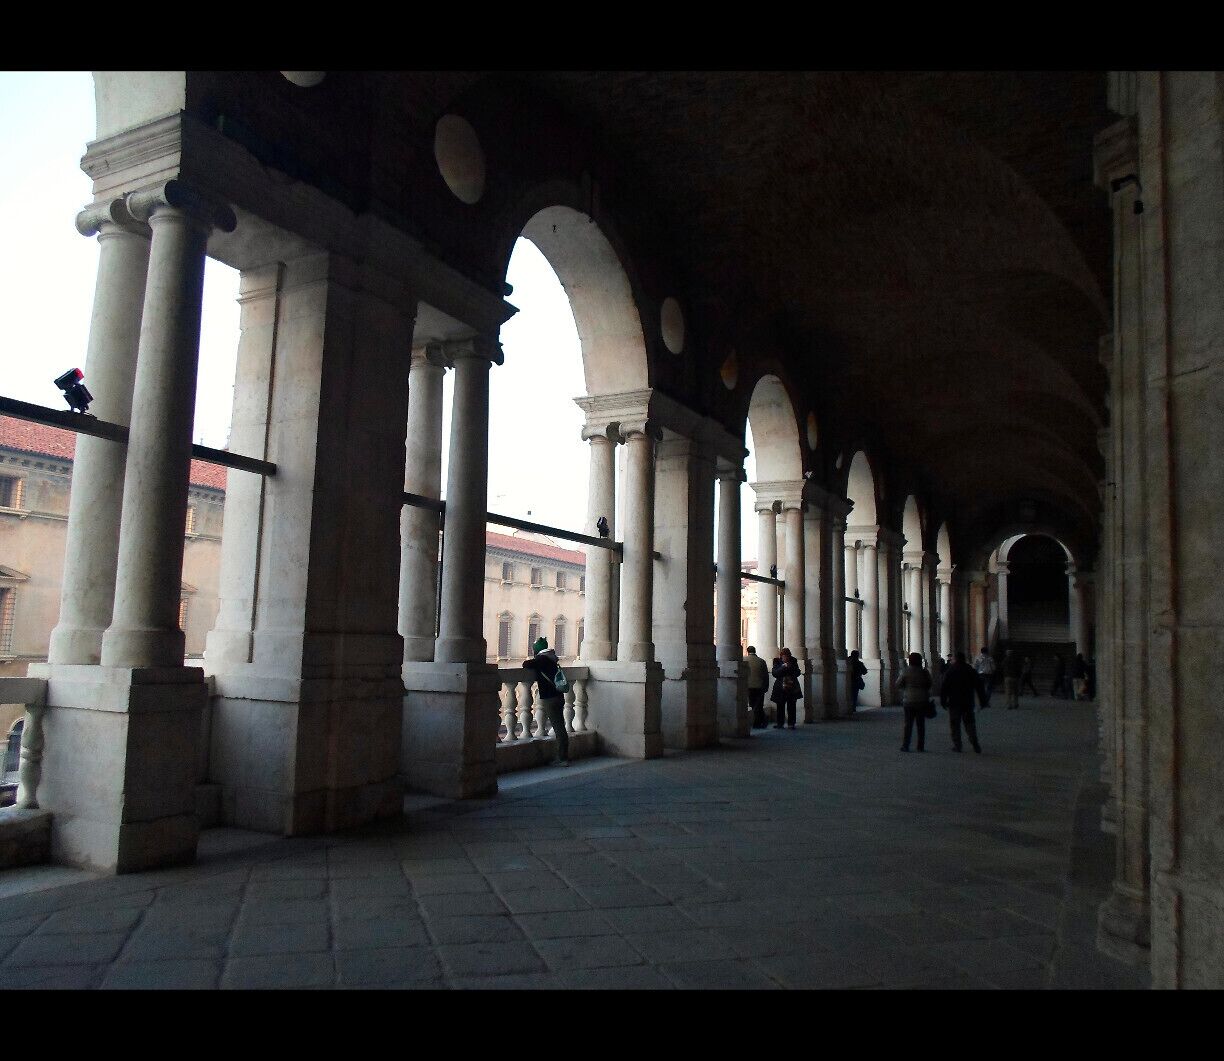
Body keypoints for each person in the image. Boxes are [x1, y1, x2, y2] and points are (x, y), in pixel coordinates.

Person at [523, 636, 569, 766]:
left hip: (550, 698)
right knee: (561, 726)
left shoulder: (541, 660)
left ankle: (562, 758)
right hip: (559, 695)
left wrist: (534, 658)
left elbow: (526, 664)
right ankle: (563, 756)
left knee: (558, 728)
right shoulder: (552, 658)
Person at [940, 650, 986, 753]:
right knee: (969, 723)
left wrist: (943, 701)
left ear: (955, 659)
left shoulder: (951, 671)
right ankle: (974, 743)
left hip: (954, 702)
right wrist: (983, 701)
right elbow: (979, 686)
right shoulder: (970, 670)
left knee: (955, 724)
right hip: (967, 701)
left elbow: (944, 687)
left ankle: (957, 745)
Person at [896, 651, 932, 752]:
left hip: (909, 700)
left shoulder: (905, 671)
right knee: (920, 724)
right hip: (922, 700)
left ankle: (905, 745)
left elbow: (898, 684)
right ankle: (920, 746)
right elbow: (929, 684)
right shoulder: (924, 672)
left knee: (908, 724)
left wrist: (906, 688)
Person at [770, 647, 803, 729]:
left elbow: (797, 672)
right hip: (780, 687)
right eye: (784, 656)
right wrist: (783, 667)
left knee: (791, 706)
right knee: (780, 706)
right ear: (781, 656)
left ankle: (791, 723)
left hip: (792, 687)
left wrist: (790, 667)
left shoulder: (793, 661)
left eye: (787, 656)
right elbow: (775, 673)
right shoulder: (777, 661)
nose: (785, 658)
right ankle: (780, 723)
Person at [744, 645, 769, 729]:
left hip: (748, 686)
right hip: (760, 686)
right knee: (759, 705)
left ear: (747, 651)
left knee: (752, 704)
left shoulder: (744, 659)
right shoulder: (761, 661)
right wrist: (766, 687)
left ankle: (760, 721)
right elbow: (765, 675)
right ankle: (760, 722)